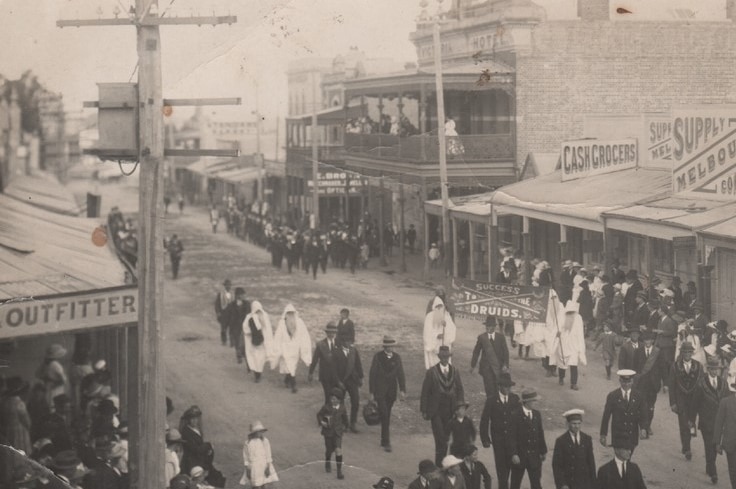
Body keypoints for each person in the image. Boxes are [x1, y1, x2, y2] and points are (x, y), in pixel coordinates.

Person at [421, 346, 465, 466]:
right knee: (440, 438)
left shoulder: (455, 371)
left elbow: (460, 389)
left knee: (445, 439)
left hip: (450, 411)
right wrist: (424, 410)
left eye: (447, 357)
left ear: (449, 357)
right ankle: (440, 466)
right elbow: (425, 391)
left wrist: (460, 406)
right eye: (443, 357)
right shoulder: (431, 372)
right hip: (436, 411)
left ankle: (442, 464)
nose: (445, 359)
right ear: (439, 358)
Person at [480, 372, 520, 489]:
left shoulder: (514, 399)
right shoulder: (492, 400)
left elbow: (518, 420)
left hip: (513, 442)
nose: (507, 389)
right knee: (502, 471)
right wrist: (485, 439)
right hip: (499, 442)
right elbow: (484, 420)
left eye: (509, 386)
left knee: (513, 469)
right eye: (505, 386)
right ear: (499, 386)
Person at [369, 335, 407, 453]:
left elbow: (401, 374)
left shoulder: (397, 358)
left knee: (387, 415)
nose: (390, 348)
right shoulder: (378, 357)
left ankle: (383, 438)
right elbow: (372, 375)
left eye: (392, 346)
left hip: (391, 392)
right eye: (388, 346)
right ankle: (386, 442)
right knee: (385, 414)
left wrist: (402, 390)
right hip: (379, 392)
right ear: (384, 346)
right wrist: (371, 392)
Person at [695, 356, 729, 484]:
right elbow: (695, 403)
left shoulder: (723, 383)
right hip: (706, 421)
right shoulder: (701, 383)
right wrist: (691, 420)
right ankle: (713, 472)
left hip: (719, 423)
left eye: (717, 369)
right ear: (708, 369)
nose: (715, 372)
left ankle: (709, 465)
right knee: (709, 445)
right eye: (712, 369)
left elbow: (726, 402)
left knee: (714, 445)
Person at [669, 341, 703, 460]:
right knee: (683, 423)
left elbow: (702, 384)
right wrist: (672, 403)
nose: (687, 354)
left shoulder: (698, 366)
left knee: (691, 422)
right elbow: (671, 385)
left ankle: (686, 444)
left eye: (689, 352)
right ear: (681, 353)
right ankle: (687, 448)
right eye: (685, 352)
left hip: (694, 400)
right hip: (680, 399)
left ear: (692, 353)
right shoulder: (675, 366)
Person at [600, 369, 649, 452]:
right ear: (620, 381)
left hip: (632, 434)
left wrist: (643, 428)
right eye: (623, 382)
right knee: (620, 458)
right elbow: (606, 416)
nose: (626, 384)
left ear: (632, 381)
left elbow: (643, 414)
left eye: (629, 382)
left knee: (628, 458)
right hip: (618, 435)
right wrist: (603, 434)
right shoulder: (613, 396)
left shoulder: (638, 396)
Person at [272, 304, 313, 393]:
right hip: (285, 348)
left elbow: (304, 335)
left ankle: (287, 380)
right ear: (285, 313)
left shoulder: (299, 322)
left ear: (294, 313)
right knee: (288, 365)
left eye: (292, 313)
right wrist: (277, 348)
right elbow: (278, 336)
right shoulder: (282, 323)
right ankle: (293, 385)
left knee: (292, 366)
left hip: (295, 348)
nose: (290, 315)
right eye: (288, 313)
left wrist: (304, 349)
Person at [551, 409, 597, 489]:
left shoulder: (587, 439)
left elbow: (591, 463)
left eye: (579, 423)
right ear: (568, 424)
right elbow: (557, 465)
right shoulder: (561, 441)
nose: (577, 426)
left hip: (585, 483)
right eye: (574, 424)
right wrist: (562, 484)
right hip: (569, 483)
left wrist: (594, 483)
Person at [510, 389, 546, 489]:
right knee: (515, 484)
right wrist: (514, 454)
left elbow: (540, 433)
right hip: (520, 456)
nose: (535, 403)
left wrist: (543, 451)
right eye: (534, 401)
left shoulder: (537, 414)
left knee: (536, 484)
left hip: (534, 456)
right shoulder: (515, 415)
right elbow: (511, 437)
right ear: (527, 402)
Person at [550, 301, 587, 390]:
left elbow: (580, 333)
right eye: (569, 312)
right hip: (563, 342)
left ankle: (574, 383)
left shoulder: (578, 318)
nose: (571, 314)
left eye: (572, 312)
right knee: (562, 362)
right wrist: (557, 334)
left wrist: (580, 346)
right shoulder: (562, 316)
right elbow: (556, 328)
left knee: (574, 363)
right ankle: (561, 378)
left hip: (574, 344)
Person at [471, 315, 509, 397]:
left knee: (498, 387)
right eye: (487, 326)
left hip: (498, 367)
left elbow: (506, 352)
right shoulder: (481, 337)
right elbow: (476, 352)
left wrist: (505, 365)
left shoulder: (501, 337)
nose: (488, 328)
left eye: (490, 326)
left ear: (494, 327)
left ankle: (497, 402)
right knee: (489, 388)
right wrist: (472, 365)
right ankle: (490, 403)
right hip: (486, 368)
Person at [633, 331, 661, 434]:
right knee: (642, 405)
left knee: (651, 406)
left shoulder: (658, 352)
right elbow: (634, 367)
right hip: (641, 383)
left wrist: (666, 383)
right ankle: (643, 427)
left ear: (653, 341)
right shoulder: (638, 351)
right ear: (643, 341)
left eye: (649, 340)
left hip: (653, 385)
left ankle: (648, 425)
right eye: (645, 340)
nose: (647, 342)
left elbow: (662, 368)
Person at [317, 387, 349, 480]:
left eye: (334, 399)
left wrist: (345, 427)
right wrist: (321, 422)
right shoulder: (326, 407)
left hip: (338, 433)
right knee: (329, 450)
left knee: (338, 450)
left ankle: (339, 471)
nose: (332, 400)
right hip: (328, 433)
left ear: (339, 400)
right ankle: (327, 460)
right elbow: (319, 415)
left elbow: (345, 419)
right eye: (331, 398)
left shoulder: (342, 408)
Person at [334, 335, 363, 433]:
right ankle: (344, 423)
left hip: (353, 380)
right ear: (341, 342)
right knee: (341, 402)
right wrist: (338, 382)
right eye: (345, 340)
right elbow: (334, 370)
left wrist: (360, 378)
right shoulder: (337, 352)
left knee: (355, 401)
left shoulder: (354, 351)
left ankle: (353, 423)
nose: (347, 343)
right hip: (342, 381)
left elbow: (358, 365)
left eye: (349, 340)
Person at [242, 300, 275, 383]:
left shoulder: (264, 316)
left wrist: (268, 339)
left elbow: (268, 329)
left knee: (260, 359)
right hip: (254, 342)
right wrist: (252, 331)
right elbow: (245, 329)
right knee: (256, 358)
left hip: (263, 342)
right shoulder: (249, 317)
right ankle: (257, 374)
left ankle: (258, 374)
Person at [239, 421, 278, 489]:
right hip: (254, 467)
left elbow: (268, 455)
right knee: (255, 484)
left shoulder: (265, 441)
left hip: (263, 465)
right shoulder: (248, 443)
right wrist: (247, 469)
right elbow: (246, 457)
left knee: (263, 483)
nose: (260, 433)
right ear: (254, 433)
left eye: (261, 431)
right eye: (258, 431)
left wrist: (268, 467)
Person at [0, 376, 32, 455]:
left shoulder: (3, 402)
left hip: (6, 431)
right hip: (19, 433)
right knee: (20, 452)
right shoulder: (19, 403)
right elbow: (27, 422)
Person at [309, 322, 340, 403]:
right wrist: (310, 373)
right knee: (328, 395)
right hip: (325, 375)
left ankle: (335, 414)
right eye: (330, 332)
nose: (331, 334)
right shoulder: (321, 345)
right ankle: (328, 413)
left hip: (337, 375)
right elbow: (315, 359)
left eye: (333, 332)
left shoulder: (339, 343)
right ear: (326, 333)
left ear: (335, 333)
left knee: (337, 396)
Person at [424, 297, 458, 370]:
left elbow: (452, 329)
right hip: (434, 345)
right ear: (434, 307)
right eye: (437, 307)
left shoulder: (446, 316)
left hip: (444, 345)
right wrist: (436, 335)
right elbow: (427, 332)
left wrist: (446, 327)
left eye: (440, 306)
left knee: (445, 366)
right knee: (434, 365)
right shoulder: (429, 317)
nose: (439, 309)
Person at [714, 381, 736, 489]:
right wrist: (717, 442)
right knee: (733, 471)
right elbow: (719, 423)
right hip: (730, 443)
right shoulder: (725, 402)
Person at [221, 287, 250, 364]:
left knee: (245, 344)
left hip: (245, 327)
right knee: (237, 343)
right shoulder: (231, 305)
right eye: (241, 295)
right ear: (237, 296)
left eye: (243, 295)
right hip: (235, 327)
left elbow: (251, 315)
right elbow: (226, 317)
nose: (243, 296)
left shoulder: (247, 304)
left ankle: (243, 355)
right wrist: (224, 328)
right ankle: (239, 355)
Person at [36, 344, 70, 409]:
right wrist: (55, 383)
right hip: (56, 389)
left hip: (48, 388)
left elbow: (37, 375)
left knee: (49, 404)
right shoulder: (56, 365)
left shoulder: (45, 364)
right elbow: (64, 380)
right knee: (55, 405)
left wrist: (47, 380)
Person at [214, 279, 234, 346]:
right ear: (224, 286)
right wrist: (218, 312)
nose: (228, 286)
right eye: (227, 285)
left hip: (231, 313)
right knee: (223, 328)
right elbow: (217, 304)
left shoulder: (233, 293)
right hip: (223, 313)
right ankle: (224, 341)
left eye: (229, 285)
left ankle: (232, 342)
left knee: (232, 328)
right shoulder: (221, 294)